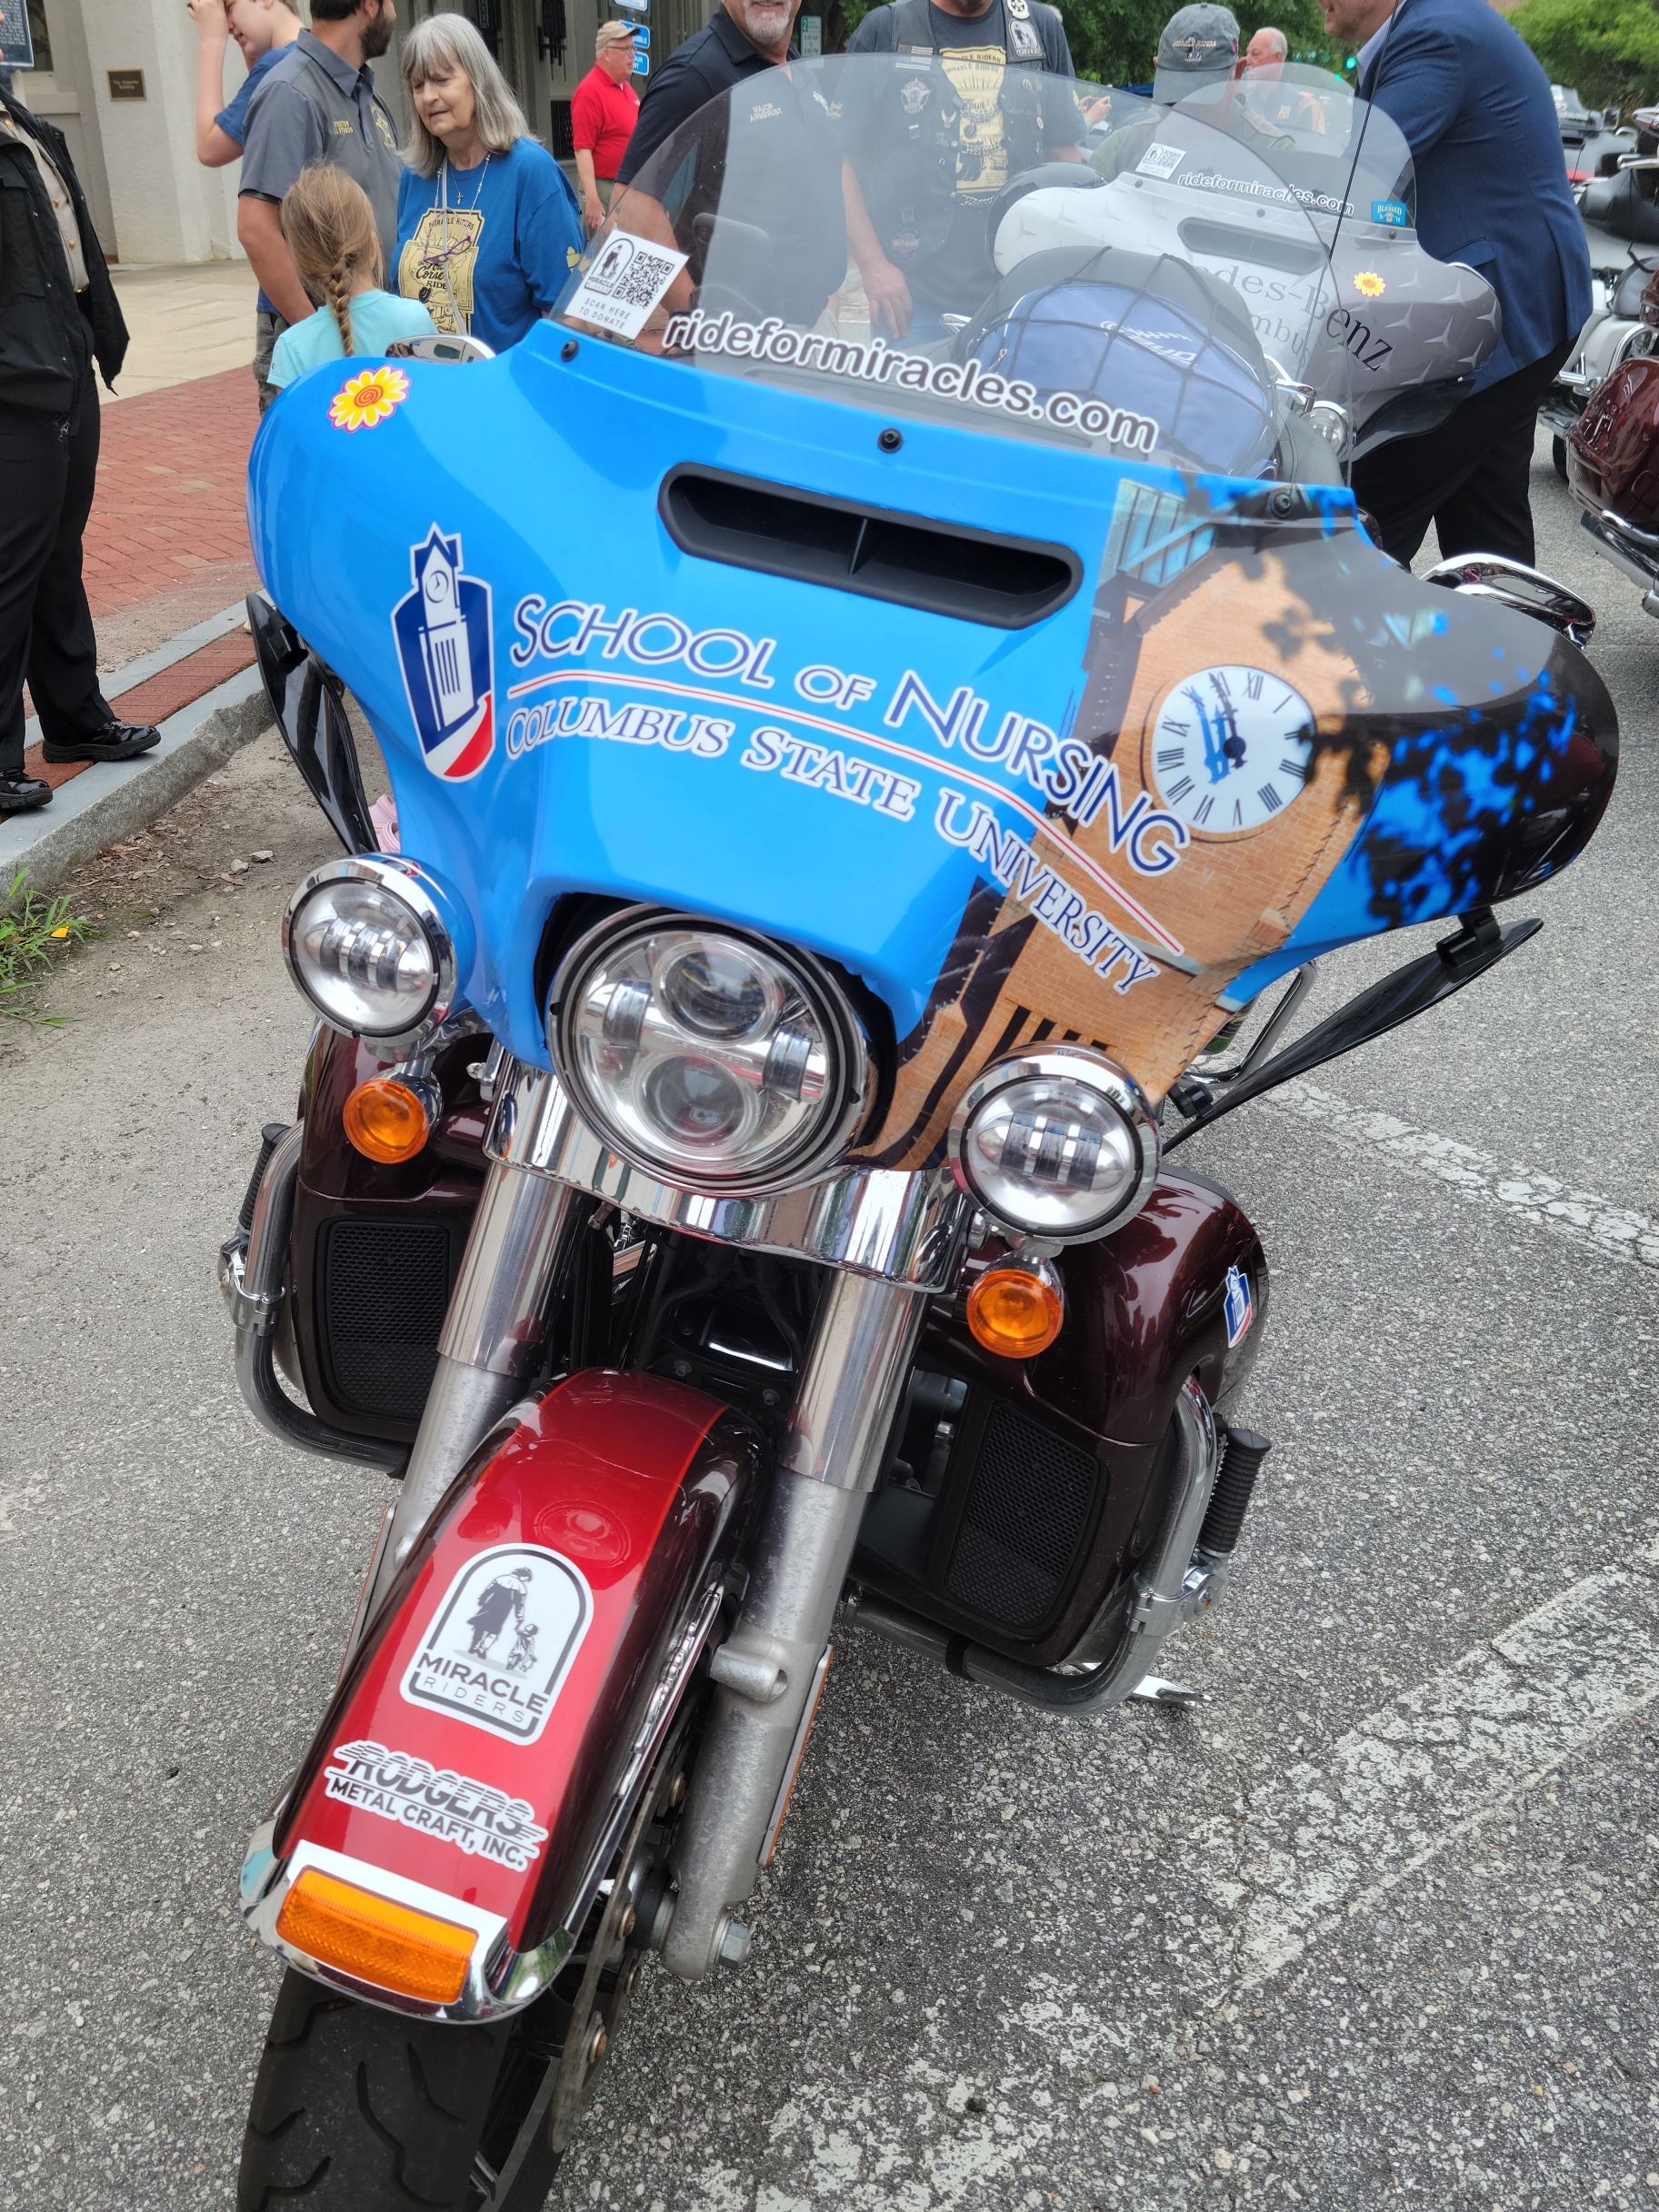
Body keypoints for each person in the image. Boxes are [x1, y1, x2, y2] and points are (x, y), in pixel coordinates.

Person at [1331, 0, 1593, 565]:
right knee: (1485, 528)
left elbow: (1360, 176)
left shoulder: (1434, 36)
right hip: (1521, 302)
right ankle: (1512, 648)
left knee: (1363, 512)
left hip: (1494, 311)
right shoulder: (1432, 25)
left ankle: (1320, 648)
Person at [0, 84, 159, 816]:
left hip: (64, 353)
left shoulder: (21, 119)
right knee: (11, 568)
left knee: (59, 553)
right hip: (13, 378)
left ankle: (74, 721)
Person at [840, 0, 1081, 340]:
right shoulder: (886, 29)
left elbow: (1065, 157)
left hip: (1022, 301)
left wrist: (1061, 271)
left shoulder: (1039, 28)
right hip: (913, 305)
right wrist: (873, 265)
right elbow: (836, 159)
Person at [615, 0, 848, 333]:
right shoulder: (694, 74)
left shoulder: (798, 67)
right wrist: (703, 323)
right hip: (738, 343)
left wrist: (827, 302)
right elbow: (631, 210)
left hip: (815, 326)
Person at [237, 0, 402, 412]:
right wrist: (320, 333)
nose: (395, 13)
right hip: (325, 352)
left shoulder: (366, 94)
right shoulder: (289, 93)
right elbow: (257, 229)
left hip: (372, 336)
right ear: (369, 5)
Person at [395, 14, 583, 354]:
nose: (428, 97)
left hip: (507, 394)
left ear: (478, 81)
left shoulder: (530, 172)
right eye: (418, 85)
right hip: (425, 390)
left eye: (441, 79)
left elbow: (565, 319)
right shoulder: (415, 176)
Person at [267, 164, 434, 390]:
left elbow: (289, 425)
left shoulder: (292, 348)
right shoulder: (415, 319)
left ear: (303, 265)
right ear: (373, 246)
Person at [188, 0, 301, 170]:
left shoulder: (275, 65)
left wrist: (212, 40)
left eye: (230, 8)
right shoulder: (314, 51)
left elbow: (209, 149)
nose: (226, 26)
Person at [572, 22, 640, 234]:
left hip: (626, 187)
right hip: (603, 188)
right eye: (626, 49)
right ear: (607, 54)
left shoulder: (626, 89)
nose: (632, 55)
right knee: (606, 255)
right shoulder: (590, 91)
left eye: (633, 48)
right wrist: (592, 199)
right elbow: (583, 149)